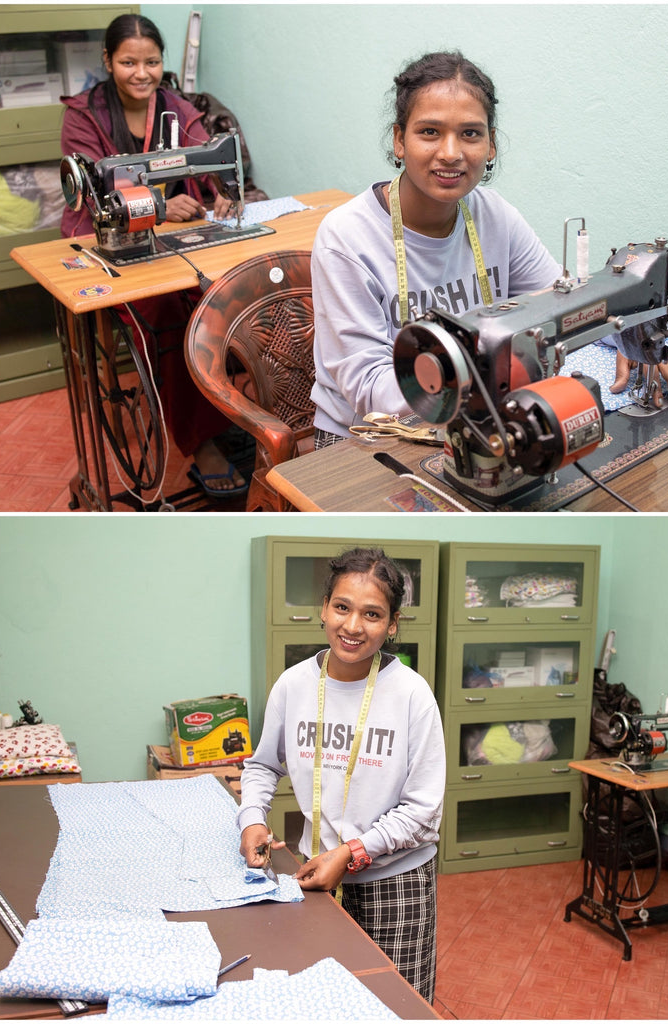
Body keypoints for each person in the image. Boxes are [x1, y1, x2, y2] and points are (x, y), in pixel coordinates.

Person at [310, 51, 668, 447]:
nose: (451, 152)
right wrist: (486, 370)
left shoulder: (493, 216)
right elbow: (368, 388)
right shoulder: (346, 239)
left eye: (471, 134)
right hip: (365, 440)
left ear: (491, 145)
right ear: (398, 140)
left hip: (472, 419)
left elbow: (563, 303)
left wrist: (629, 336)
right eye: (429, 132)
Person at [237, 547, 446, 1003]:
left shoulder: (412, 695)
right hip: (314, 872)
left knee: (397, 1003)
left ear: (392, 625)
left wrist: (353, 852)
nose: (353, 626)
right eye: (342, 607)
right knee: (322, 1002)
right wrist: (252, 818)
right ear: (324, 609)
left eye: (372, 614)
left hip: (395, 883)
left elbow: (424, 810)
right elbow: (262, 766)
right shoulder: (293, 684)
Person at [60, 14, 246, 497]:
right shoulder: (85, 117)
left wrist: (220, 196)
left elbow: (208, 166)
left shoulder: (177, 108)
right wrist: (161, 211)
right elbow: (92, 201)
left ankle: (239, 415)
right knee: (169, 313)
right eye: (128, 62)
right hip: (111, 245)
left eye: (152, 62)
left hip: (164, 245)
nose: (141, 73)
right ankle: (202, 441)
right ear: (108, 61)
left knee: (225, 295)